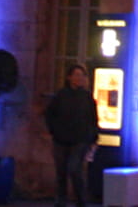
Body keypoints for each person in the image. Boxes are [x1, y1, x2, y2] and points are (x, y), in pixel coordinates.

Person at [44, 64, 98, 207]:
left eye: (82, 75)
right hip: (61, 139)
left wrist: (93, 137)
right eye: (76, 75)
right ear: (69, 77)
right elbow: (50, 114)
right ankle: (61, 200)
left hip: (80, 140)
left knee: (74, 168)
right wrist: (54, 130)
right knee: (61, 171)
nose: (79, 78)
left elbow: (93, 118)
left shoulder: (87, 97)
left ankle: (81, 200)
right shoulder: (61, 95)